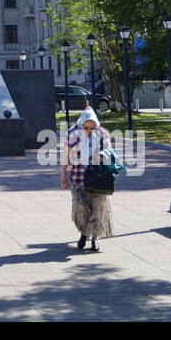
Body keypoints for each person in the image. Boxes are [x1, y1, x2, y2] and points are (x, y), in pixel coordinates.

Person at [59, 106, 114, 252]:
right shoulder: (72, 133)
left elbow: (110, 152)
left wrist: (101, 156)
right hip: (78, 177)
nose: (89, 130)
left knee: (98, 209)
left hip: (98, 177)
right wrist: (63, 174)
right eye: (86, 127)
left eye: (92, 127)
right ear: (81, 124)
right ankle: (84, 232)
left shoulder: (102, 133)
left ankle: (94, 239)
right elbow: (65, 155)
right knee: (80, 208)